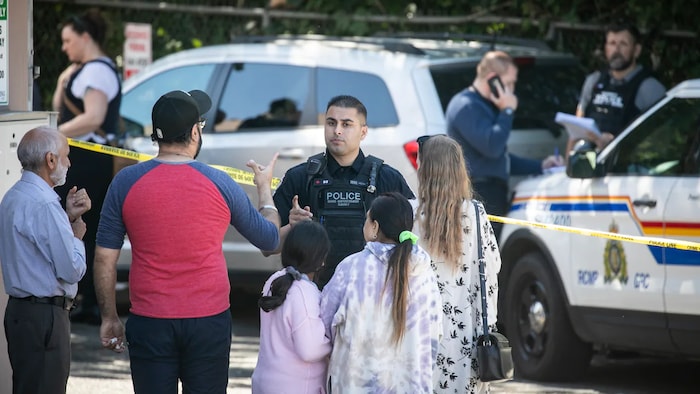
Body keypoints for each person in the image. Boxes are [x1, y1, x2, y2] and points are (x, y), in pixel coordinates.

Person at [93, 89, 281, 393]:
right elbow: (270, 241)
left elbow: (104, 258)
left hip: (149, 320)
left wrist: (109, 317)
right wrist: (264, 192)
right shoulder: (220, 183)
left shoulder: (125, 183)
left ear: (156, 135)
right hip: (209, 320)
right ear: (194, 132)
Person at [270, 95, 415, 289]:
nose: (337, 131)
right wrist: (292, 227)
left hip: (369, 297)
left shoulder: (387, 178)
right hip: (314, 297)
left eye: (346, 124)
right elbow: (268, 247)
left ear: (363, 132)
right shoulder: (300, 177)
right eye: (331, 123)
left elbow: (412, 241)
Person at [320, 192, 442, 393]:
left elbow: (325, 325)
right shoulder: (425, 273)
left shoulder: (351, 268)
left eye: (367, 219)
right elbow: (435, 334)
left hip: (355, 384)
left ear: (374, 227)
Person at [0, 126, 92, 393]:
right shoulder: (44, 204)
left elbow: (39, 246)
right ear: (50, 160)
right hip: (44, 316)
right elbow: (71, 269)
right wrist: (75, 235)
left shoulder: (14, 196)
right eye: (66, 155)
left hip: (22, 312)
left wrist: (68, 217)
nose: (69, 162)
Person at [412, 135, 502, 393]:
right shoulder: (475, 212)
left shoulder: (410, 213)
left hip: (420, 328)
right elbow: (492, 266)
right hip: (468, 331)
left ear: (425, 168)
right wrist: (490, 320)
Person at [52, 8, 122, 325]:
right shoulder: (86, 70)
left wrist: (52, 133)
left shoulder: (96, 73)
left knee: (86, 225)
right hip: (85, 157)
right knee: (80, 222)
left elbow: (93, 117)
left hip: (90, 159)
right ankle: (83, 296)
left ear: (85, 37)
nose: (64, 47)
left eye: (68, 41)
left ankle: (89, 300)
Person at [445, 50, 562, 241]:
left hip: (490, 194)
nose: (512, 90)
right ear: (493, 79)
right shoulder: (466, 106)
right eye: (508, 83)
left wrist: (540, 166)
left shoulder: (485, 105)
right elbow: (493, 147)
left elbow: (501, 158)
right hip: (477, 194)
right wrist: (507, 110)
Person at [252, 221, 332, 394]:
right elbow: (310, 350)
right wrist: (334, 343)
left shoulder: (275, 280)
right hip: (297, 387)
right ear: (320, 261)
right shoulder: (304, 292)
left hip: (265, 383)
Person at [573, 21, 666, 150]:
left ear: (636, 50)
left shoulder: (649, 88)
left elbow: (660, 139)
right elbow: (577, 131)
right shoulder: (594, 81)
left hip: (628, 166)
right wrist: (569, 164)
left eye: (623, 44)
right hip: (591, 162)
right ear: (606, 48)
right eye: (612, 43)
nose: (616, 50)